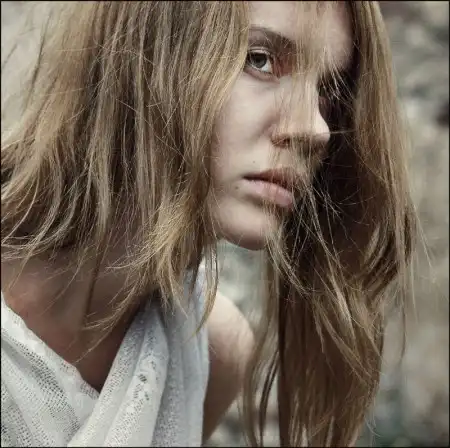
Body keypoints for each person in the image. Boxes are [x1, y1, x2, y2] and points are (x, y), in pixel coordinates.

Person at [1, 1, 416, 446]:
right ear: (146, 46)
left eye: (328, 90)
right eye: (260, 60)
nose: (316, 129)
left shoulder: (214, 356)